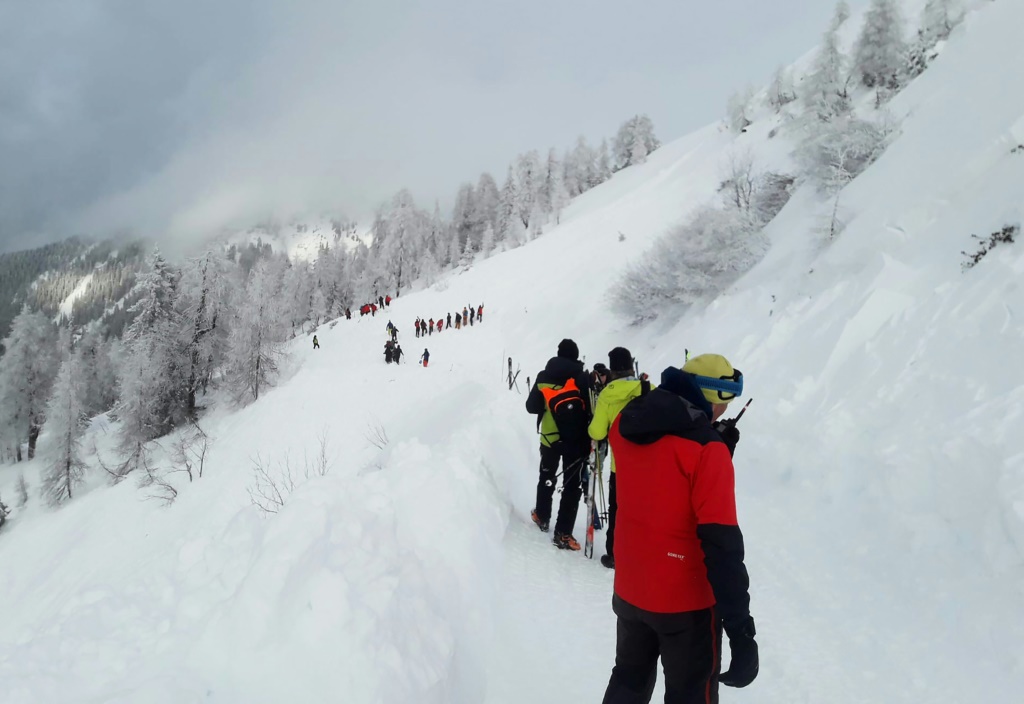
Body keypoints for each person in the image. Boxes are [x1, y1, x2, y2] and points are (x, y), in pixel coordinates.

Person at [601, 353, 757, 704]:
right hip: (686, 605)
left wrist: (712, 442)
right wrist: (741, 631)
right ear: (712, 396)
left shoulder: (625, 424)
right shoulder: (706, 451)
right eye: (725, 400)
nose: (725, 412)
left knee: (628, 681)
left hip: (631, 589)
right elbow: (722, 546)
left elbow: (659, 478)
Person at [525, 339, 593, 551]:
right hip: (576, 440)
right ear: (575, 356)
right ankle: (563, 534)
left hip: (549, 437)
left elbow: (531, 407)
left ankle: (542, 516)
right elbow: (592, 408)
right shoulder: (582, 378)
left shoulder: (544, 376)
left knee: (547, 476)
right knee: (571, 486)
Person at [587, 348, 645, 570]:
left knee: (618, 510)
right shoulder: (647, 389)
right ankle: (643, 552)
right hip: (649, 465)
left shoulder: (607, 395)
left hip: (620, 466)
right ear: (631, 365)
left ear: (612, 370)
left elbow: (598, 432)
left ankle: (615, 554)